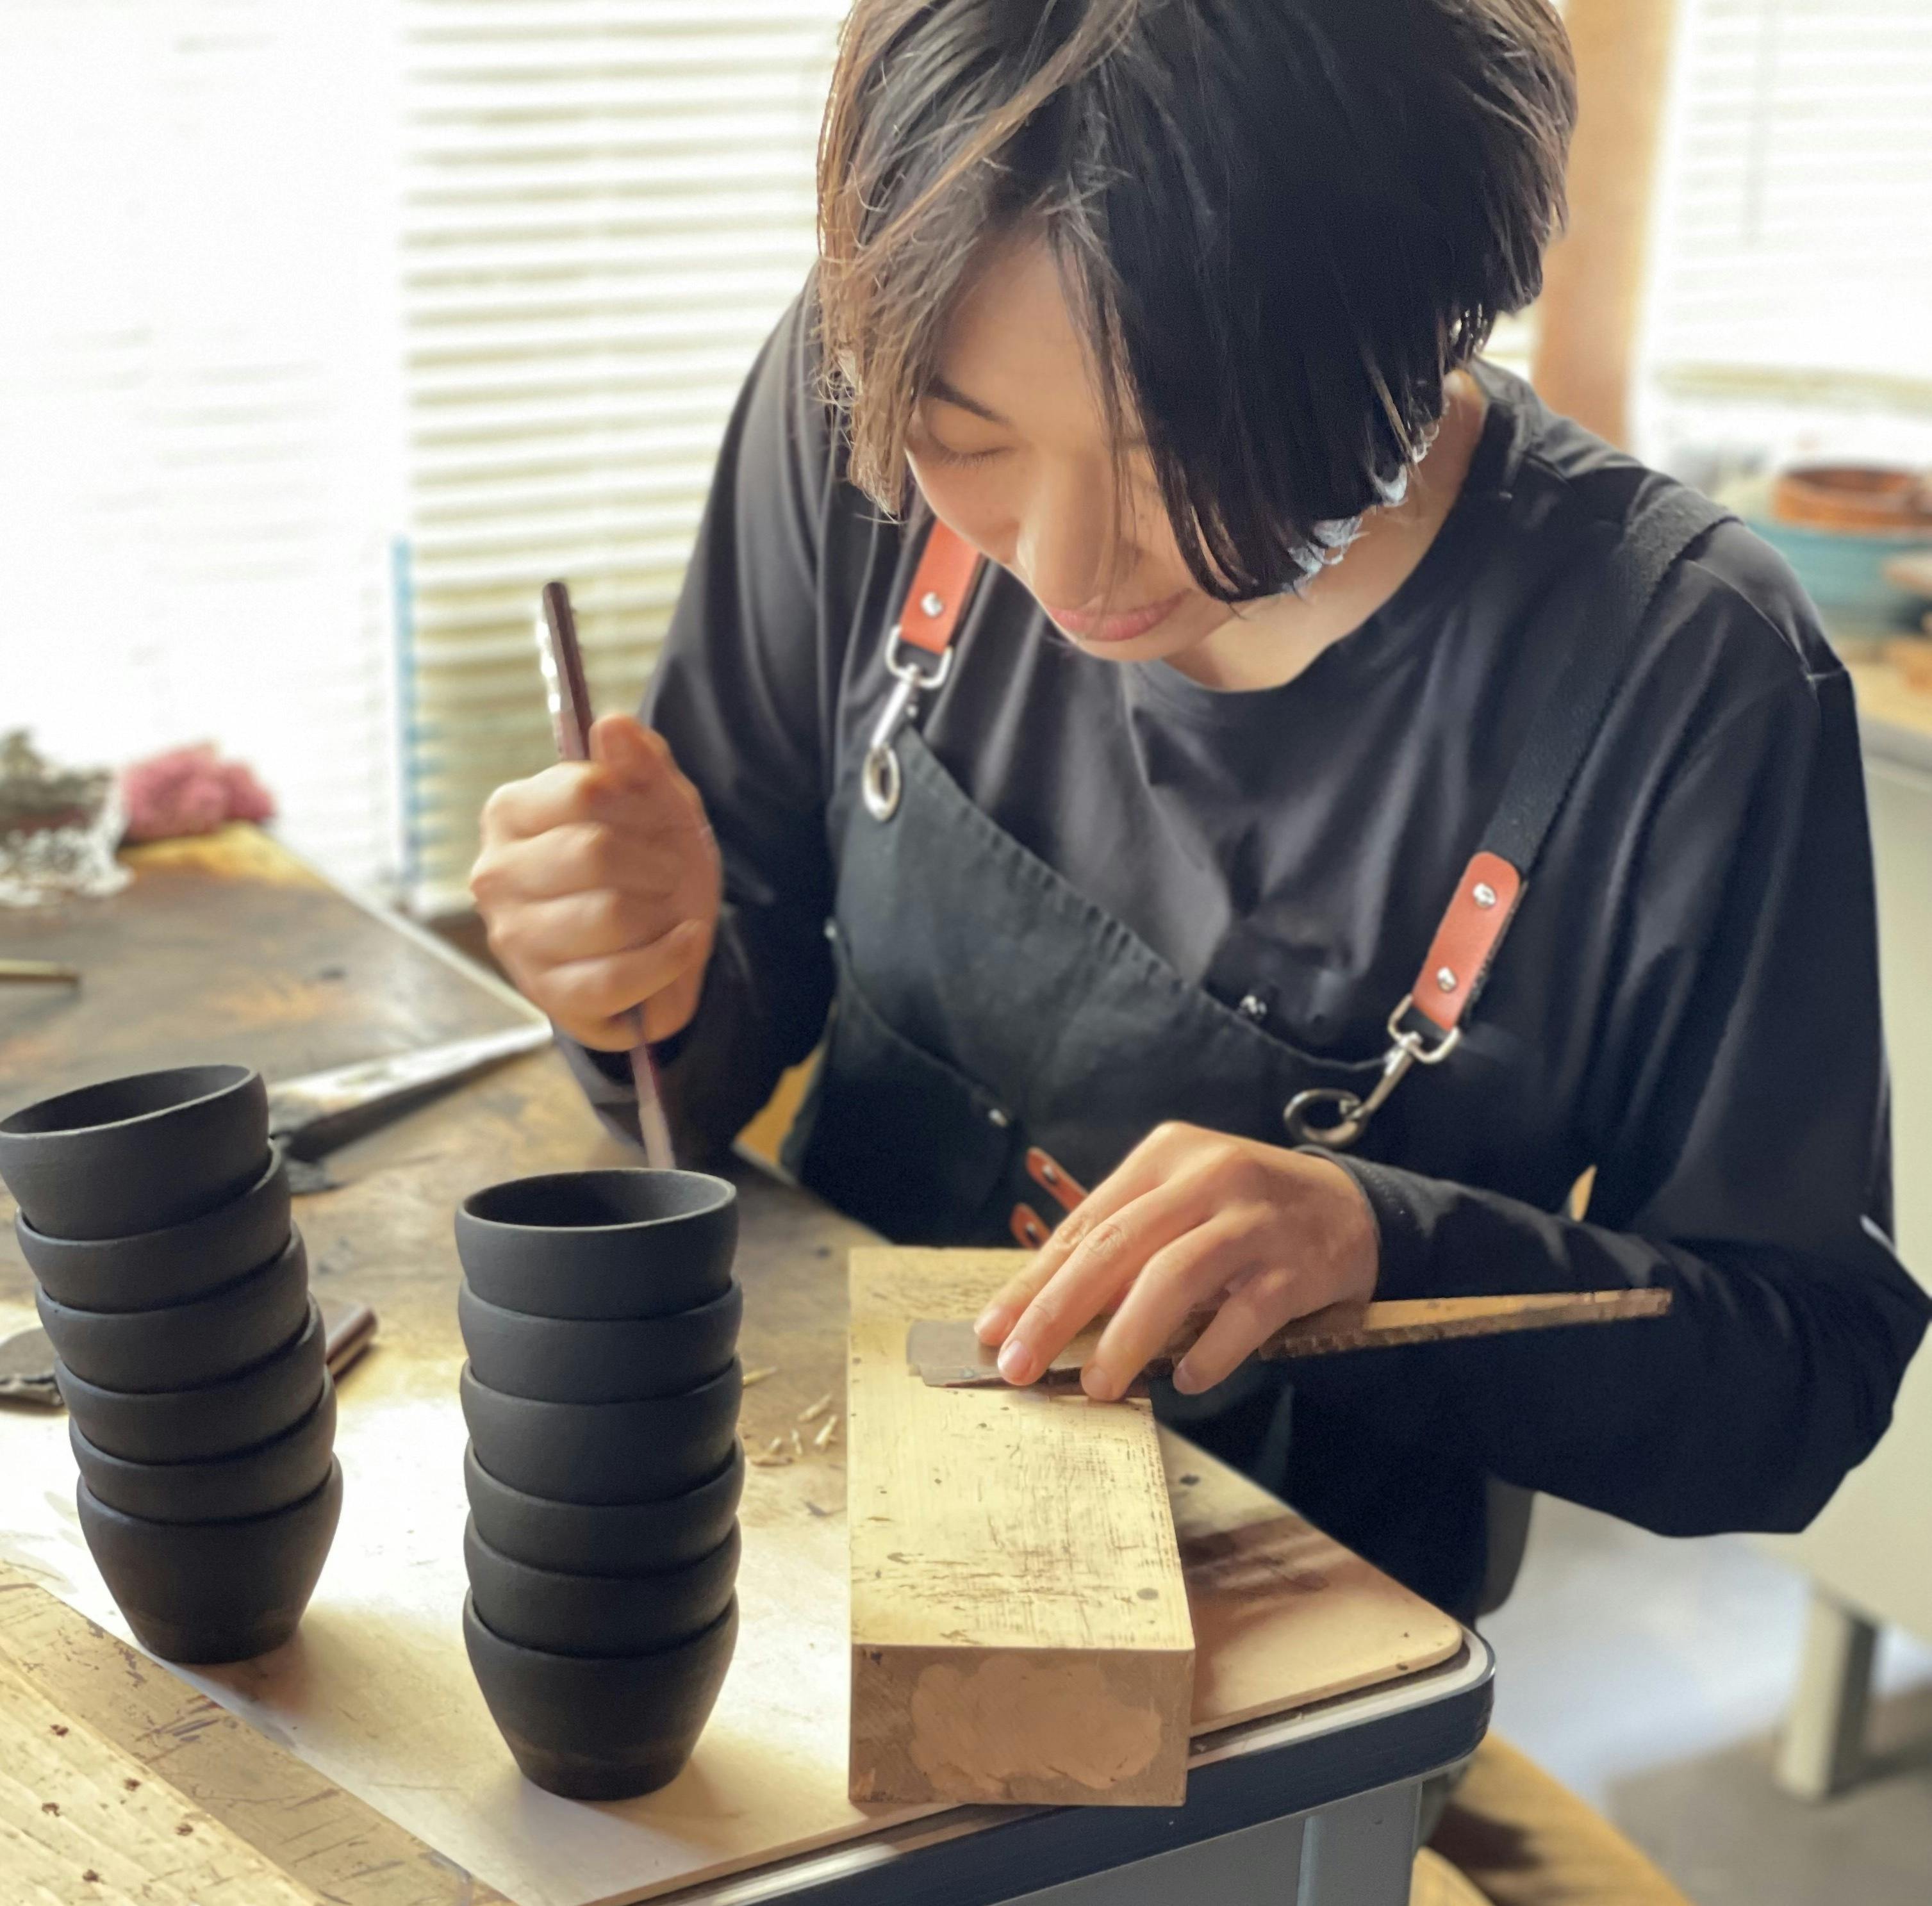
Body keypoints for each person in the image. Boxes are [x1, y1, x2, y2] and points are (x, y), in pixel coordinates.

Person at [467, 0, 1929, 1622]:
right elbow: (710, 1033)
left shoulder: (1680, 670)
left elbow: (1795, 1382)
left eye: (1182, 457)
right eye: (968, 441)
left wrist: (1381, 1244)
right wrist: (635, 977)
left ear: (1421, 321)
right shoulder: (879, 363)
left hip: (1296, 1659)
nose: (1067, 568)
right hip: (809, 1521)